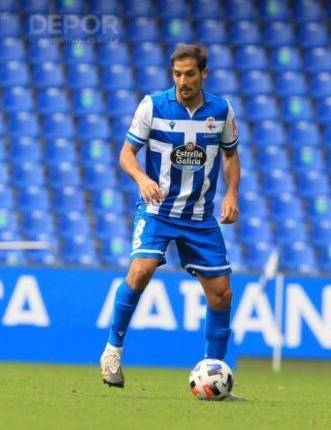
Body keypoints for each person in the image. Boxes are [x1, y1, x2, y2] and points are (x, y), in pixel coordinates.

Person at [100, 43, 241, 392]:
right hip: (158, 210)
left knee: (221, 293)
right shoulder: (153, 105)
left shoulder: (221, 111)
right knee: (141, 269)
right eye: (177, 74)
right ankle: (112, 351)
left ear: (203, 73)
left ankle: (214, 370)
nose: (182, 81)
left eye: (189, 73)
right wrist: (143, 179)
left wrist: (232, 193)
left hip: (199, 216)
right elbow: (127, 154)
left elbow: (231, 155)